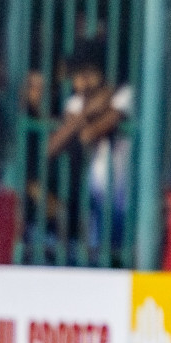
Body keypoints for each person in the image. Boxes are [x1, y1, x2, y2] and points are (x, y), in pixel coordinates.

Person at [47, 39, 132, 250]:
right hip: (91, 195)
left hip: (126, 194)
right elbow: (50, 148)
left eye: (89, 73)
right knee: (94, 252)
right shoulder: (75, 103)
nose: (82, 81)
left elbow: (89, 134)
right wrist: (87, 112)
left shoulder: (125, 95)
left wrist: (87, 116)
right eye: (77, 74)